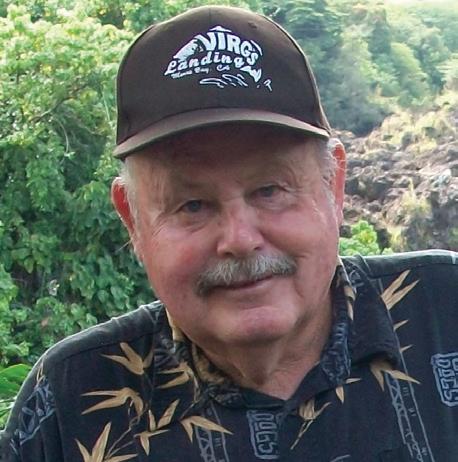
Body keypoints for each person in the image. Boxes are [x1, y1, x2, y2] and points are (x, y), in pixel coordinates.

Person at [1, 5, 457, 462]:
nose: (239, 239)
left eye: (269, 190)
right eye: (192, 205)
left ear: (333, 186)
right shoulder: (66, 405)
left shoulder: (445, 311)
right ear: (132, 219)